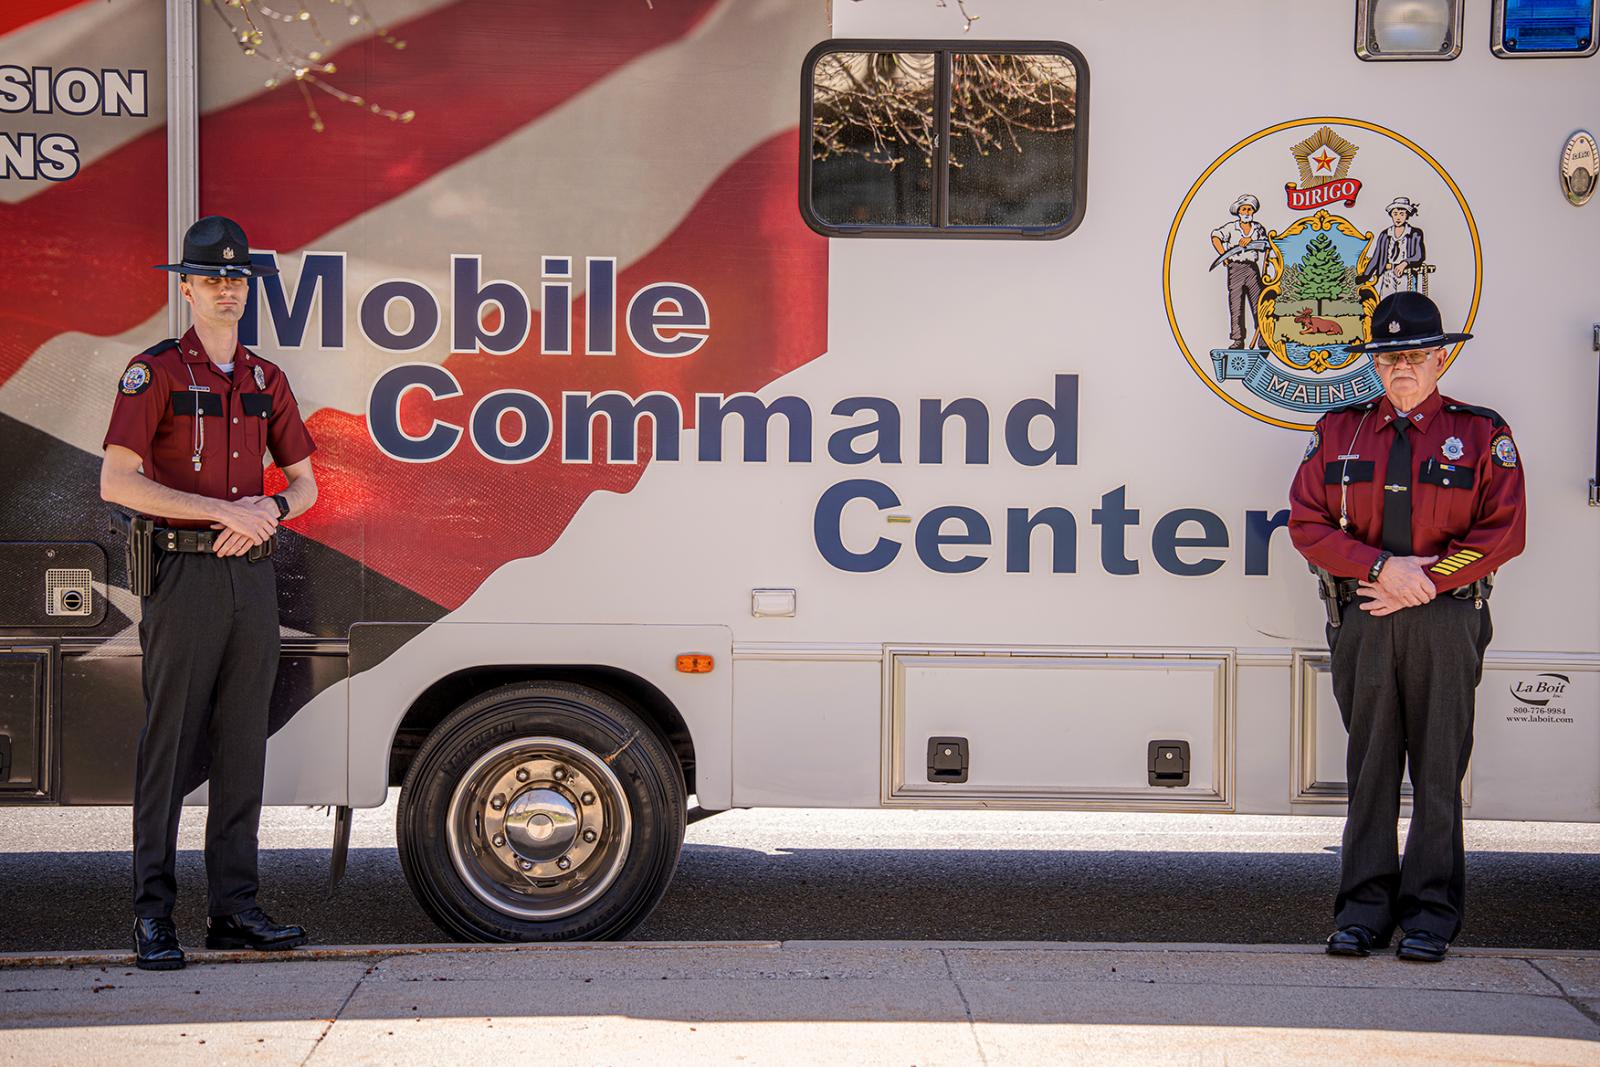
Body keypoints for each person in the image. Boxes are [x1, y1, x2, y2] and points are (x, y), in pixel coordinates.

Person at [101, 216, 318, 971]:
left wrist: (270, 511)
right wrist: (225, 509)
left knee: (240, 745)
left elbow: (305, 483)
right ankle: (152, 916)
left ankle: (235, 909)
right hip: (183, 574)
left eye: (236, 279)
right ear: (186, 286)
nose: (226, 289)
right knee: (168, 744)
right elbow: (117, 478)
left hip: (251, 578)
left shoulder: (265, 379)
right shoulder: (154, 371)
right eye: (211, 278)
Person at [1288, 291, 1525, 963]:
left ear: (1441, 356)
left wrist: (1428, 581)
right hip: (1364, 614)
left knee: (1438, 767)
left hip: (1446, 619)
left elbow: (1504, 530)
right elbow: (1306, 522)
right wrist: (1382, 567)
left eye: (1415, 355)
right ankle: (1362, 911)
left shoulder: (1481, 433)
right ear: (1375, 364)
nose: (1401, 369)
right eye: (1389, 357)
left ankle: (1429, 915)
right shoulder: (1340, 430)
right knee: (1369, 769)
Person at [1210, 193, 1270, 349]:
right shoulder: (1231, 228)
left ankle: (1263, 337)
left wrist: (1252, 241)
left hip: (1252, 269)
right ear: (1238, 211)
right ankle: (1238, 339)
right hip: (1235, 269)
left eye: (1250, 209)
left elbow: (1266, 245)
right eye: (1244, 209)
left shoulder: (1258, 228)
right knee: (1236, 305)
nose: (1247, 212)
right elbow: (1215, 236)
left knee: (1258, 304)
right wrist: (1223, 255)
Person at [1356, 197, 1426, 300]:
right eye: (1395, 213)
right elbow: (1377, 257)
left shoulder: (1414, 233)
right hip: (1388, 275)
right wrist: (1365, 275)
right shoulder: (1385, 234)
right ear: (1391, 215)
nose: (1398, 218)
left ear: (1407, 215)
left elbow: (1419, 255)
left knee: (1406, 305)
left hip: (1407, 276)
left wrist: (1405, 263)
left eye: (1402, 214)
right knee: (1386, 304)